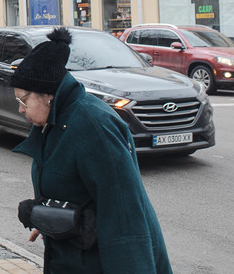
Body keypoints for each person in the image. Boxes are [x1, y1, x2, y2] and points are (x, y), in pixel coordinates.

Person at [12, 27, 172, 274]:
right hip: (72, 257)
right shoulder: (55, 122)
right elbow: (74, 190)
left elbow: (124, 215)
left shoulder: (93, 127)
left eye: (23, 100)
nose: (21, 109)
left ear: (47, 95)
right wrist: (49, 218)